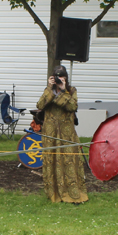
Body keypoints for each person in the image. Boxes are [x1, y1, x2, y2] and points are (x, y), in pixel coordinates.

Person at [36, 65, 88, 203]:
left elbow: (72, 107)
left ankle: (73, 194)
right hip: (50, 132)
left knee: (69, 161)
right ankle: (54, 194)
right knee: (52, 160)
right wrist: (49, 89)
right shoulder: (49, 91)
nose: (60, 79)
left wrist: (64, 91)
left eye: (62, 77)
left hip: (67, 134)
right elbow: (40, 105)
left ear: (66, 78)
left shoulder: (71, 91)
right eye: (57, 77)